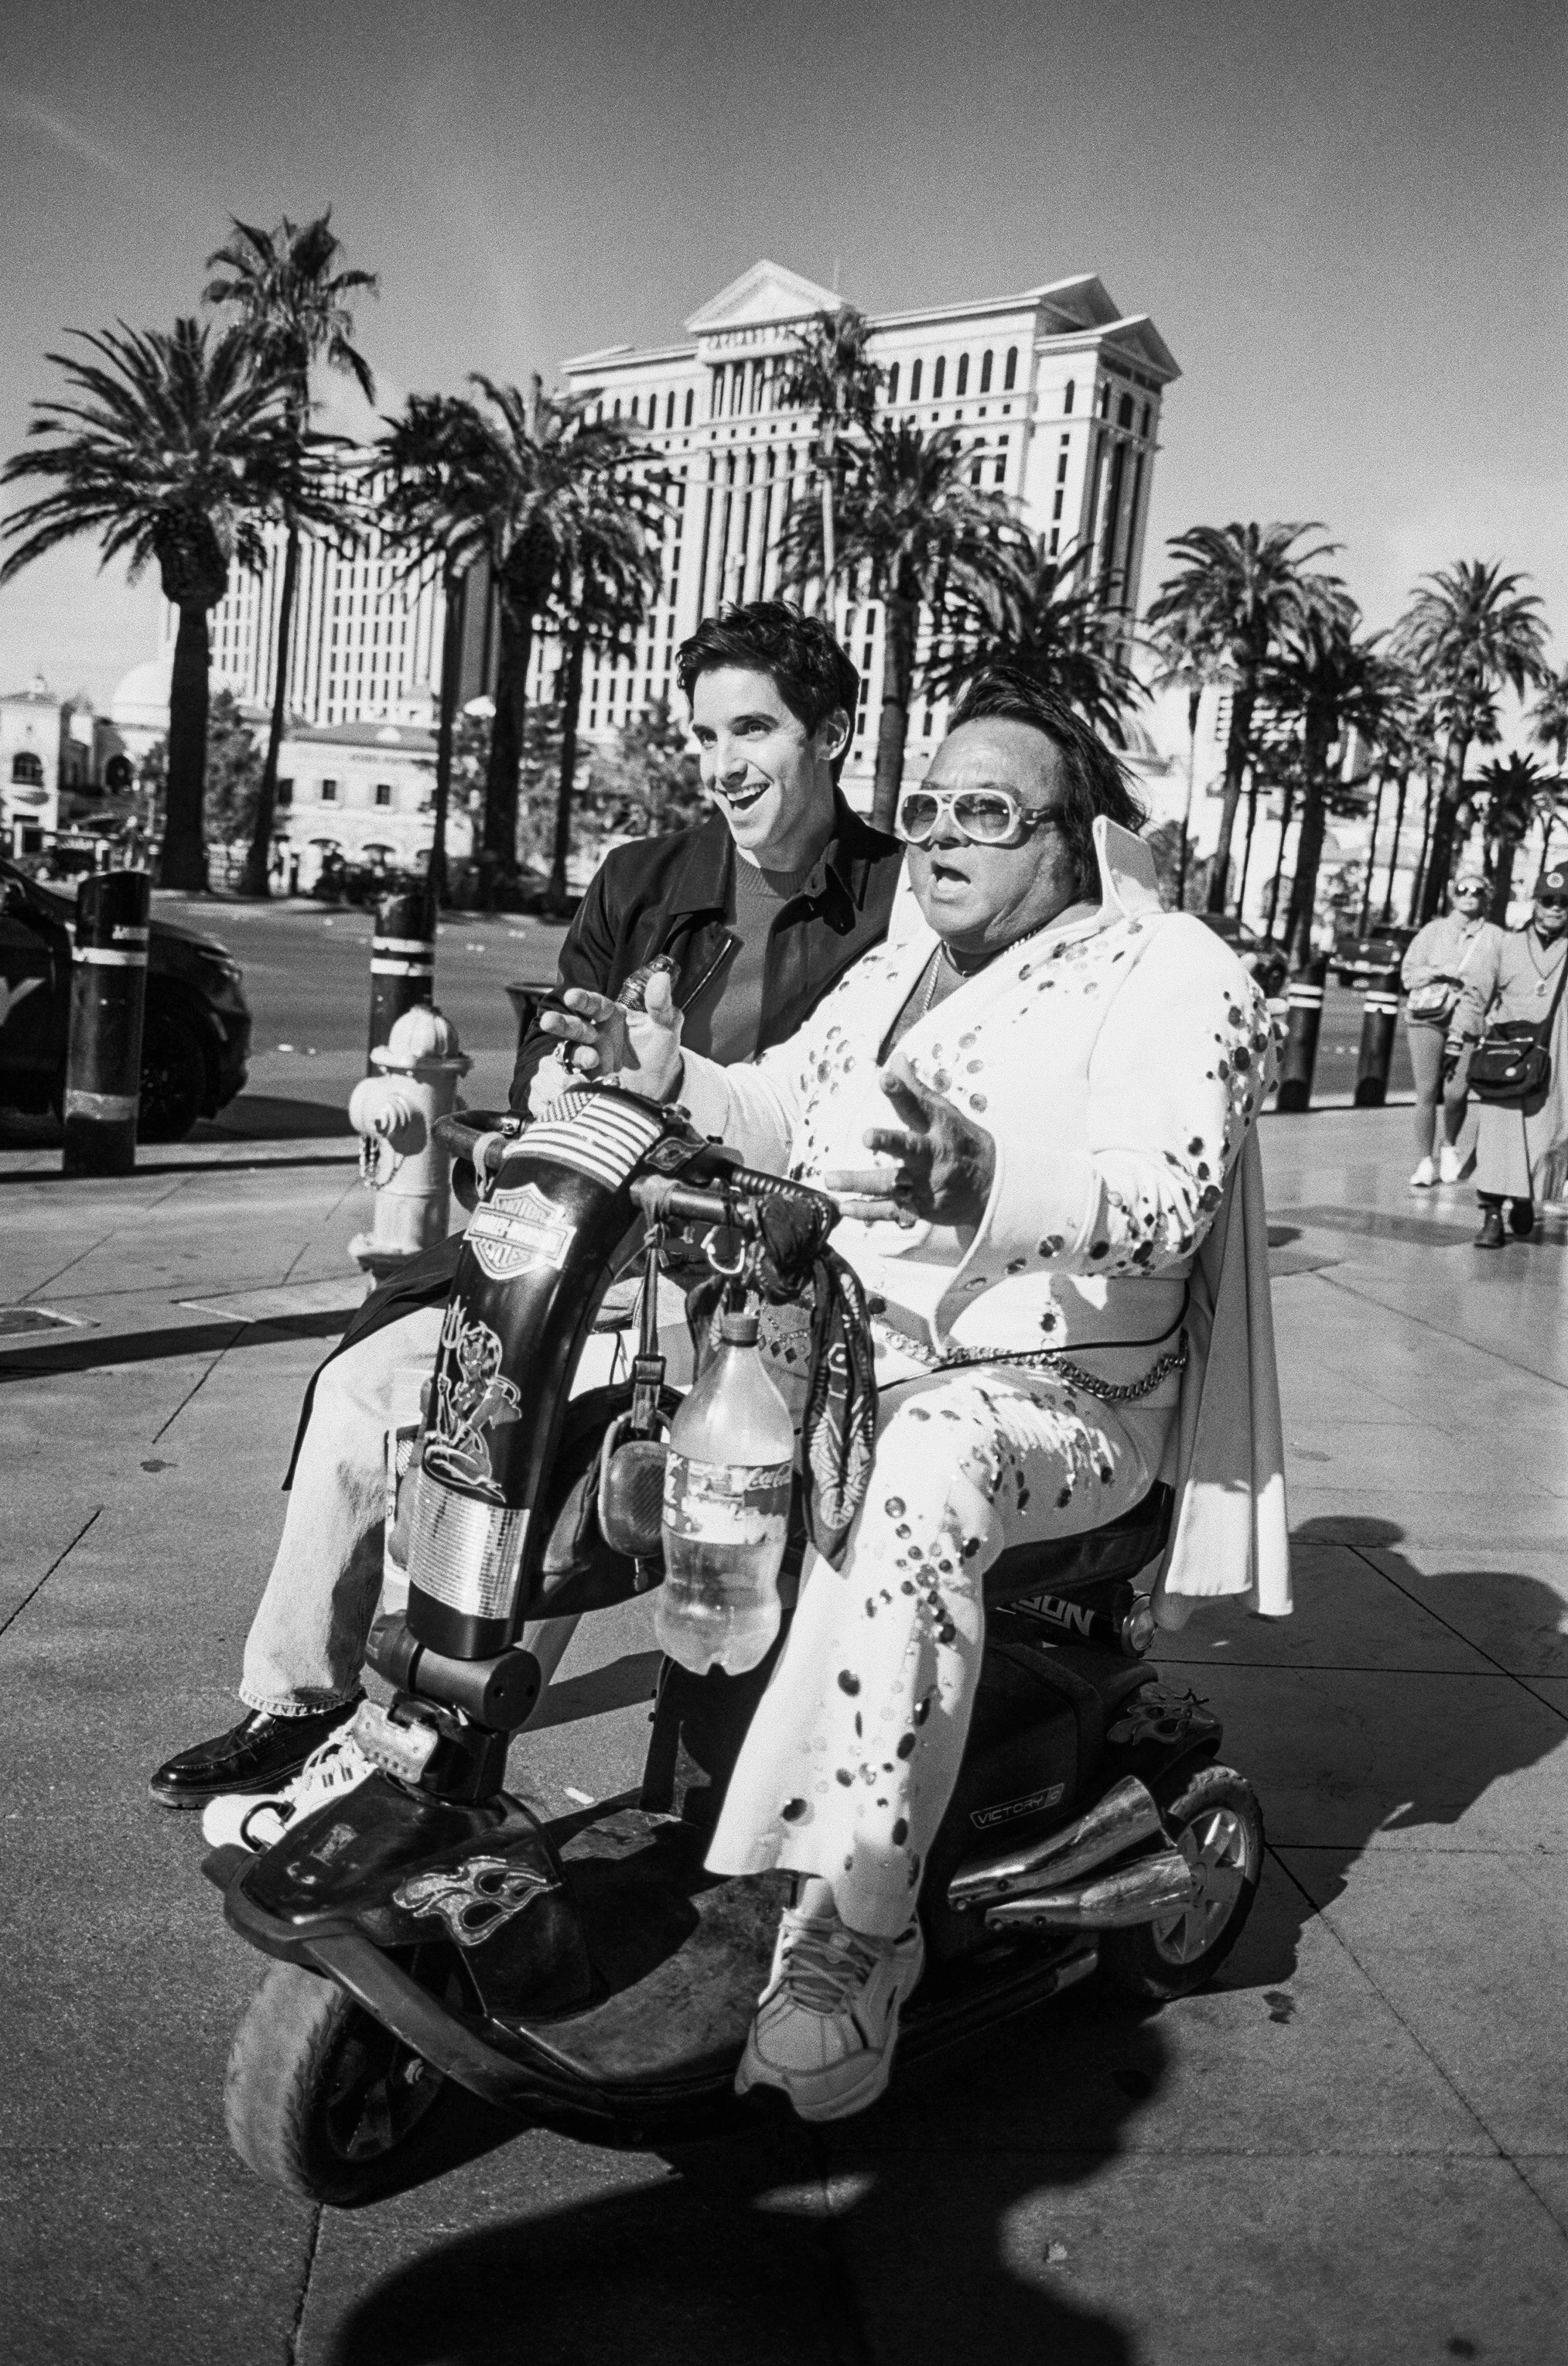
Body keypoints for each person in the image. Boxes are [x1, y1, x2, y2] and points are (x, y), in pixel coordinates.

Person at [541, 667, 1290, 2122]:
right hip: (847, 1355)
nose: (939, 833)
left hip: (1059, 1394)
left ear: (1070, 839)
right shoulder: (895, 968)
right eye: (928, 804)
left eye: (985, 811)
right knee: (592, 1404)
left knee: (919, 1456)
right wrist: (670, 1072)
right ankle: (436, 1748)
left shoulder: (1169, 966)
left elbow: (1170, 1199)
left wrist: (989, 1180)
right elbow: (777, 1104)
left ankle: (856, 1927)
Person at [149, 602, 904, 1820]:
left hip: (740, 1292)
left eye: (753, 729)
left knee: (534, 1454)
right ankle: (296, 1699)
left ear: (830, 732)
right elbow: (543, 1076)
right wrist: (551, 1085)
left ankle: (446, 1741)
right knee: (360, 1391)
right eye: (705, 733)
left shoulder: (896, 909)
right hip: (573, 1242)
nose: (722, 763)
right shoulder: (643, 879)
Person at [1449, 863, 1568, 1248]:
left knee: (1545, 1137)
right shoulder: (1505, 945)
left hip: (1556, 1062)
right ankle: (1491, 1215)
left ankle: (1524, 1197)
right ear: (1535, 903)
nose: (1556, 908)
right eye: (1548, 900)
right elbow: (1476, 995)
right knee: (1498, 1138)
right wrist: (1458, 1040)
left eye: (1564, 902)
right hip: (1506, 1056)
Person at [1400, 866, 1499, 1188]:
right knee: (1427, 1091)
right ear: (1453, 896)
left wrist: (1493, 1017)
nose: (1469, 896)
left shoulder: (1495, 938)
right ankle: (1424, 1162)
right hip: (1427, 1018)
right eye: (1462, 890)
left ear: (1486, 898)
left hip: (1468, 1021)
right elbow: (1408, 976)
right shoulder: (1433, 931)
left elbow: (1503, 983)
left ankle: (1449, 1146)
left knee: (1456, 1093)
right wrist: (1438, 970)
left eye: (1477, 891)